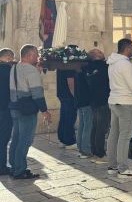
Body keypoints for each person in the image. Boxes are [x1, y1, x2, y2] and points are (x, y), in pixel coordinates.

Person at [8, 45, 52, 179]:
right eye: (36, 54)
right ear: (30, 55)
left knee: (16, 138)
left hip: (15, 106)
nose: (38, 57)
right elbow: (37, 93)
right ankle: (20, 170)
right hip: (27, 109)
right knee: (25, 140)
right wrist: (45, 111)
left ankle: (15, 166)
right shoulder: (31, 71)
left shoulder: (15, 67)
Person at [106, 38, 132, 178]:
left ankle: (112, 166)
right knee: (125, 136)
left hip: (114, 101)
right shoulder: (124, 64)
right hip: (126, 103)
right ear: (127, 48)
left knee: (114, 134)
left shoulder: (112, 63)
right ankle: (123, 169)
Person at [85, 49, 111, 163]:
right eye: (99, 52)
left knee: (95, 126)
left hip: (93, 100)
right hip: (103, 100)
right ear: (95, 56)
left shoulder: (88, 67)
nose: (102, 52)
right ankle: (100, 154)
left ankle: (95, 151)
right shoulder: (103, 67)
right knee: (101, 127)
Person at [0, 48, 15, 175]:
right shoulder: (8, 70)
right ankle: (1, 167)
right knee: (3, 138)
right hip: (4, 109)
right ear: (9, 57)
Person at [74, 61, 93, 159]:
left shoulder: (77, 72)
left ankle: (81, 148)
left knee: (82, 125)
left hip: (79, 101)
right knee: (87, 126)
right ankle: (86, 150)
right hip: (86, 102)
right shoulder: (85, 72)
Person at [56, 68, 77, 149]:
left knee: (64, 117)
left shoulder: (60, 66)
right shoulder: (69, 66)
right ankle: (69, 141)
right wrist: (75, 96)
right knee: (70, 118)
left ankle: (62, 139)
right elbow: (70, 82)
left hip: (62, 94)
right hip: (69, 96)